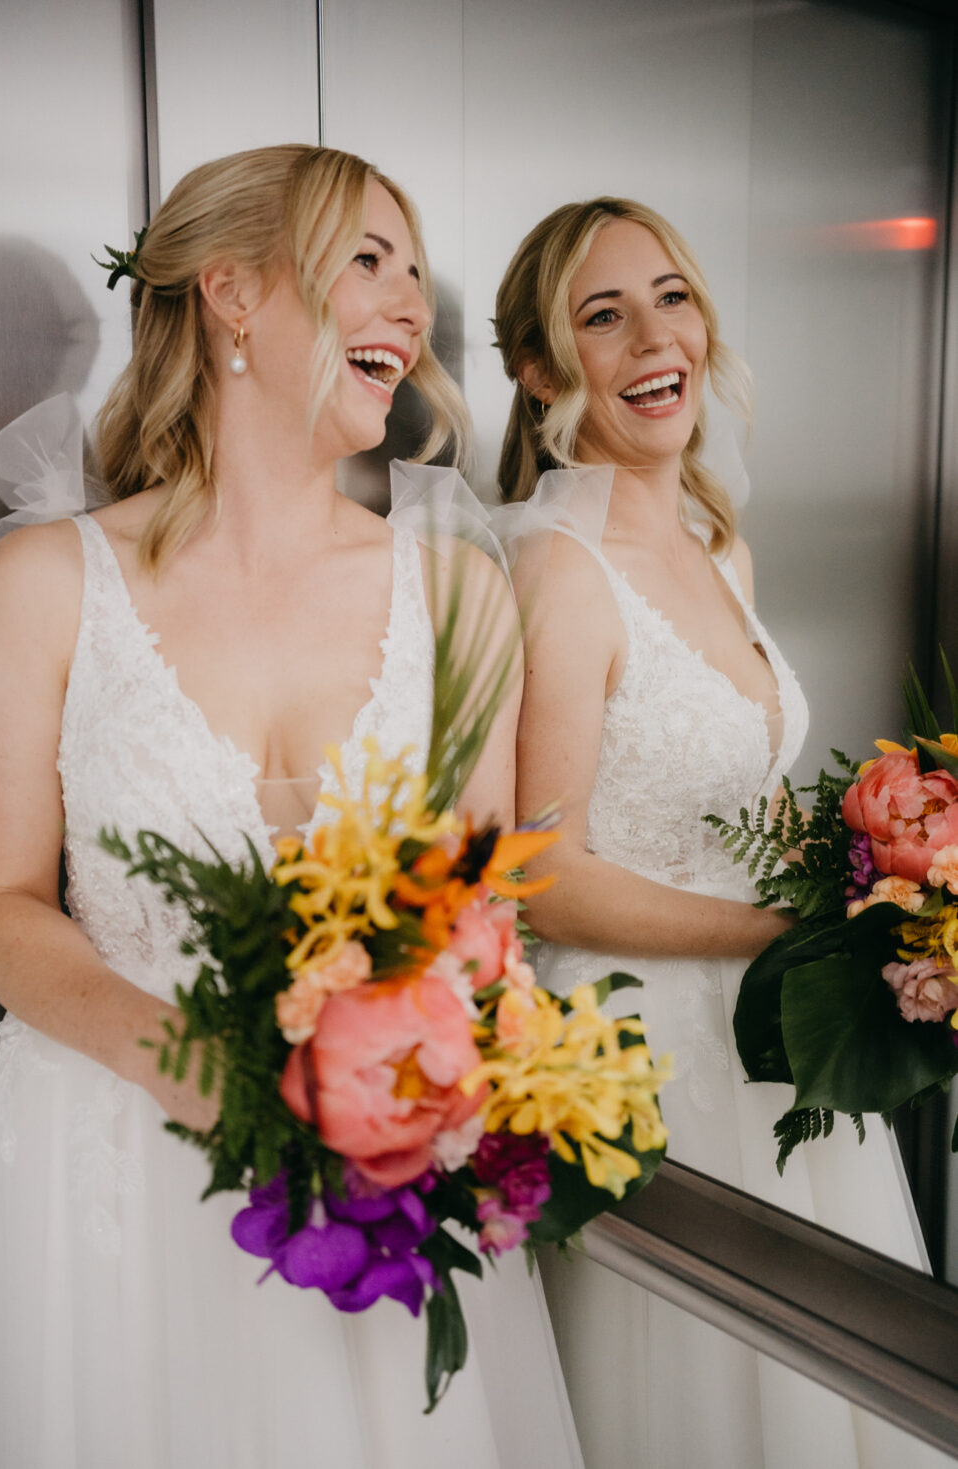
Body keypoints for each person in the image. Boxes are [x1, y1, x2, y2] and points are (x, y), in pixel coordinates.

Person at [0, 145, 583, 1469]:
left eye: (415, 271)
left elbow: (481, 906)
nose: (409, 305)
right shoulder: (43, 581)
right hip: (104, 1163)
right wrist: (193, 1068)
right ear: (232, 292)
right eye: (367, 259)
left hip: (371, 1175)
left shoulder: (459, 595)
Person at [493, 196, 943, 1468]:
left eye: (671, 297)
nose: (654, 338)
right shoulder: (553, 569)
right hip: (644, 1055)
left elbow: (740, 796)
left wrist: (888, 878)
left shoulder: (715, 543)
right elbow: (541, 875)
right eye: (602, 315)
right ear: (540, 371)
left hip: (773, 1034)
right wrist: (789, 931)